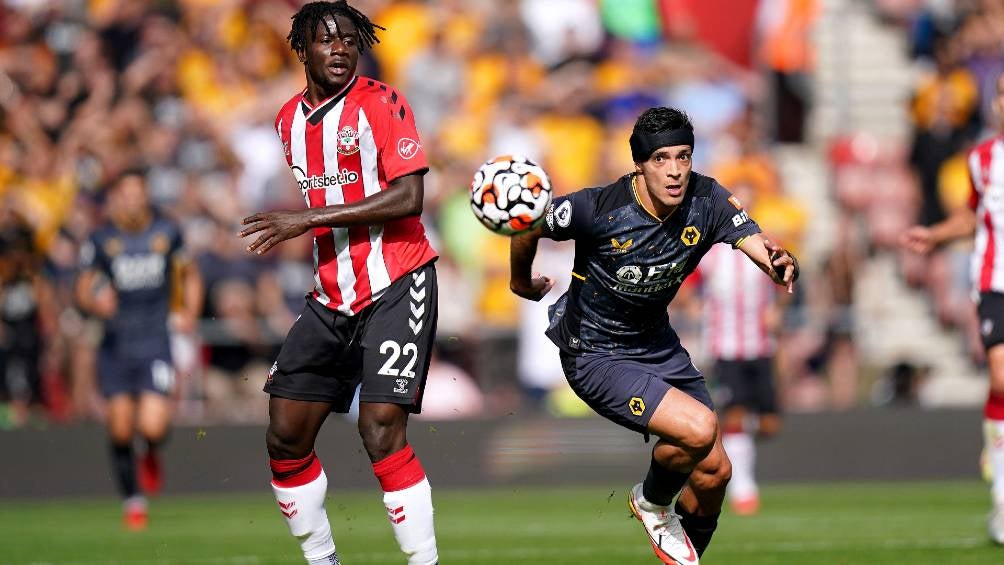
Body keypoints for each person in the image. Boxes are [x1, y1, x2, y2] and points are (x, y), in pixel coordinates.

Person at [509, 107, 798, 564]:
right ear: (640, 165)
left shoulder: (707, 199)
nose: (676, 170)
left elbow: (757, 243)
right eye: (662, 159)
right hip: (596, 352)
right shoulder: (598, 207)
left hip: (657, 345)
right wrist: (520, 282)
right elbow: (527, 223)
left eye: (683, 156)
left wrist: (780, 263)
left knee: (715, 473)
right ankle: (651, 502)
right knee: (700, 430)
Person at [239, 3, 440, 564]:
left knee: (380, 430)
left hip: (398, 280)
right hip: (332, 296)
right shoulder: (286, 122)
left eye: (350, 40)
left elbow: (409, 196)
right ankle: (322, 559)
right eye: (326, 40)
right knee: (284, 434)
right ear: (301, 49)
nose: (340, 49)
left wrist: (303, 220)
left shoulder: (382, 103)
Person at [902, 72, 1004, 546]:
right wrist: (936, 234)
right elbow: (973, 214)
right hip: (994, 281)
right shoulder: (982, 158)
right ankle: (1001, 490)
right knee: (1002, 379)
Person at [75, 171, 203, 530]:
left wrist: (188, 313)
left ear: (145, 196)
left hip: (155, 341)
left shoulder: (167, 232)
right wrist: (95, 303)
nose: (132, 200)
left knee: (152, 425)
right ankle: (133, 501)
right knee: (119, 429)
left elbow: (190, 274)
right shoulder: (102, 239)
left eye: (137, 193)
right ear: (117, 198)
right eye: (125, 194)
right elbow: (83, 286)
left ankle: (149, 450)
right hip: (115, 344)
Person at [695, 236, 783, 516]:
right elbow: (687, 283)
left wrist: (778, 309)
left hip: (761, 346)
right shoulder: (710, 253)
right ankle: (743, 487)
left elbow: (783, 279)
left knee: (769, 424)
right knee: (735, 415)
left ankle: (736, 450)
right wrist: (693, 307)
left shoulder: (764, 246)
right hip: (725, 348)